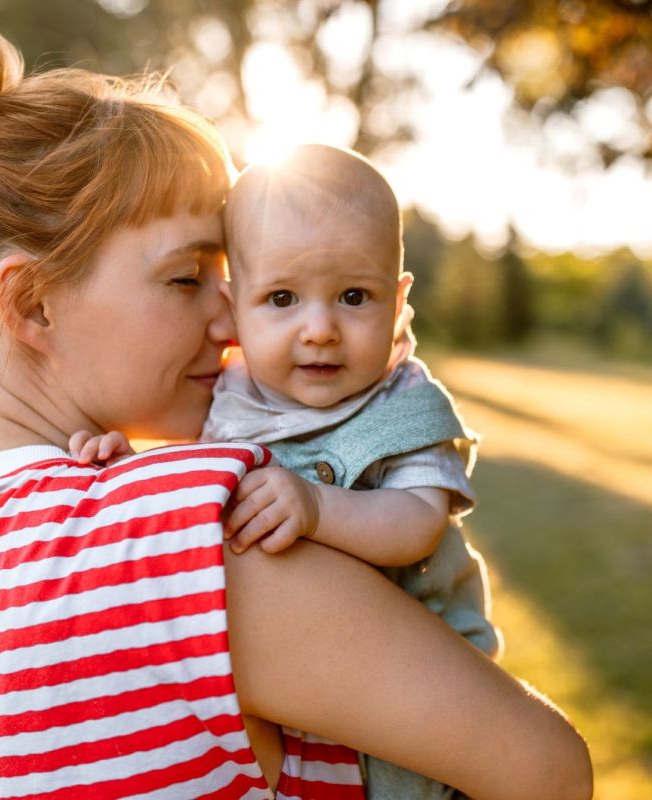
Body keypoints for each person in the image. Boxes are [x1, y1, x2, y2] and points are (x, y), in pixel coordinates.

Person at [0, 20, 592, 800]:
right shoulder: (208, 541)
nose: (232, 326)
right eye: (185, 277)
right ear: (32, 305)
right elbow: (548, 772)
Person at [76, 144, 498, 799]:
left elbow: (415, 524)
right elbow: (191, 488)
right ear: (234, 308)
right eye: (282, 298)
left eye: (354, 296)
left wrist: (318, 507)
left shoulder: (402, 403)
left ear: (398, 300)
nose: (321, 328)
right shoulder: (230, 400)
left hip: (429, 694)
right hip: (303, 708)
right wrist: (131, 468)